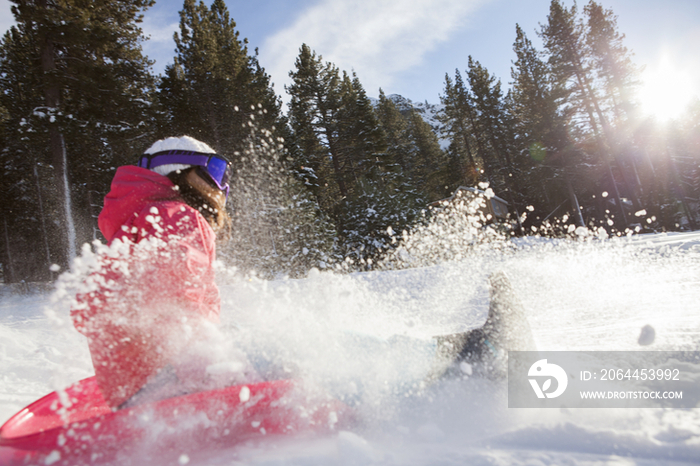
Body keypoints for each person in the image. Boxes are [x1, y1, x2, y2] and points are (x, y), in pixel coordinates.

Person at [70, 136, 233, 409]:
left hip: (134, 394)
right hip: (177, 385)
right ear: (181, 172)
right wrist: (210, 380)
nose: (222, 187)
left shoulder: (136, 225)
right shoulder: (178, 216)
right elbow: (176, 305)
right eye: (215, 173)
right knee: (291, 357)